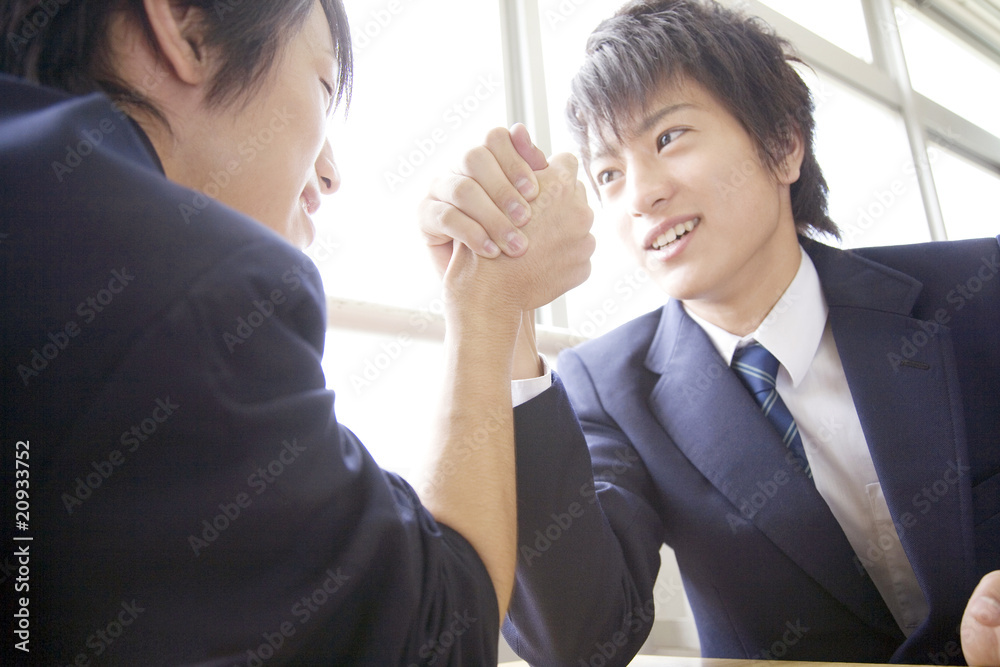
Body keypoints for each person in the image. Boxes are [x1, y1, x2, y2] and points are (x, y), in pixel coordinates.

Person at [0, 0, 594, 664]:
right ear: (184, 24)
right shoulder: (202, 290)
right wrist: (488, 298)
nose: (330, 173)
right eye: (322, 83)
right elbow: (440, 635)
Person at [419, 0, 1000, 664]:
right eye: (609, 174)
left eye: (669, 138)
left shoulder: (979, 290)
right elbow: (579, 639)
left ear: (783, 145)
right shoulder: (609, 388)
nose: (641, 194)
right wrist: (507, 319)